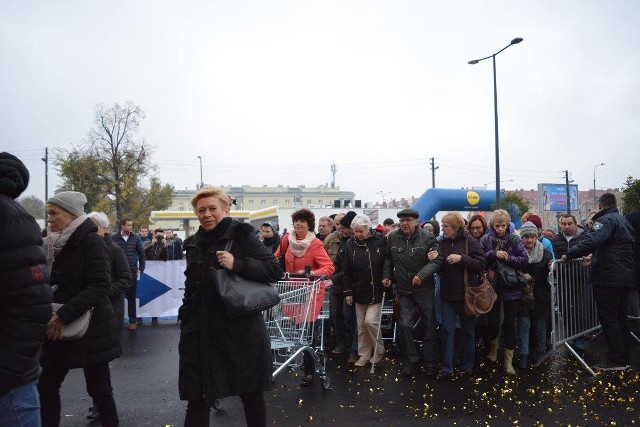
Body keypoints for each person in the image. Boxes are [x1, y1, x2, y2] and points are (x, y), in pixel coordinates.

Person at [178, 186, 283, 426]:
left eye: (213, 208)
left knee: (250, 393)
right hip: (199, 333)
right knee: (197, 397)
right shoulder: (193, 243)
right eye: (201, 210)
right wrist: (185, 317)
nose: (207, 214)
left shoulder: (242, 236)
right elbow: (191, 285)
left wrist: (238, 264)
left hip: (239, 331)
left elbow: (274, 270)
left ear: (226, 209)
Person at [39, 191, 121, 427]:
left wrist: (63, 315)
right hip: (57, 325)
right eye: (48, 213)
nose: (50, 219)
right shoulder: (51, 243)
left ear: (70, 214)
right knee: (46, 387)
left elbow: (100, 286)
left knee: (99, 389)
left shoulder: (92, 241)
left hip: (90, 328)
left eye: (54, 213)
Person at [0, 152, 52, 427]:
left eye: (56, 214)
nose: (51, 219)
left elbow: (31, 305)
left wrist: (6, 371)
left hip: (9, 386)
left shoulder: (11, 218)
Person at [565, 193, 636, 371]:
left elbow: (593, 240)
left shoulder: (605, 221)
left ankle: (616, 359)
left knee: (609, 318)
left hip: (608, 279)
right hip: (625, 277)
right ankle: (624, 357)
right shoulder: (623, 220)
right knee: (621, 318)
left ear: (600, 205)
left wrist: (571, 253)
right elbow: (613, 250)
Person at [274, 208, 335, 386]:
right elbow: (275, 257)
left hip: (310, 294)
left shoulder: (315, 244)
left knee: (308, 334)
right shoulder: (287, 239)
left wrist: (311, 273)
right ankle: (309, 361)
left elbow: (329, 267)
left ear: (309, 225)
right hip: (292, 292)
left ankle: (310, 370)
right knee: (297, 332)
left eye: (303, 221)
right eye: (296, 220)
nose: (298, 224)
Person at [382, 208, 442, 377]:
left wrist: (421, 275)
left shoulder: (428, 238)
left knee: (429, 324)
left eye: (408, 220)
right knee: (405, 325)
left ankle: (430, 361)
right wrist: (387, 276)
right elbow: (388, 258)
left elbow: (437, 260)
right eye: (401, 221)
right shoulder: (393, 237)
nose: (404, 224)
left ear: (416, 221)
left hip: (424, 289)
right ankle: (412, 360)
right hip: (403, 289)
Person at [86, 211, 132, 421]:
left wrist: (103, 293)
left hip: (109, 312)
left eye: (91, 225)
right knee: (91, 361)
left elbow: (125, 279)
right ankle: (98, 403)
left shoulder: (114, 250)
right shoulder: (84, 249)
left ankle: (100, 405)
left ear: (103, 228)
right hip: (87, 312)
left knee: (99, 361)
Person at [480, 209, 528, 375]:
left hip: (511, 287)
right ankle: (493, 350)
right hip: (492, 286)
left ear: (508, 224)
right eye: (497, 225)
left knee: (509, 325)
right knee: (492, 322)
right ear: (492, 225)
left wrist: (508, 257)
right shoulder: (486, 239)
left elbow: (524, 259)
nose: (500, 228)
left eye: (503, 225)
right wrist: (493, 254)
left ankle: (508, 361)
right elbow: (480, 258)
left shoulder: (515, 238)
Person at [438, 212, 485, 378]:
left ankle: (467, 365)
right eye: (443, 226)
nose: (443, 229)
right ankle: (447, 367)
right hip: (447, 295)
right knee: (447, 330)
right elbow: (437, 265)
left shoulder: (469, 241)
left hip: (466, 295)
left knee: (468, 331)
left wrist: (462, 259)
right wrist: (432, 258)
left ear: (456, 228)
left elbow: (481, 263)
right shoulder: (441, 242)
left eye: (446, 226)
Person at [343, 214, 387, 367]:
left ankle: (379, 350)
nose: (357, 234)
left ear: (368, 229)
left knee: (370, 321)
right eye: (355, 231)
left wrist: (387, 277)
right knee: (361, 325)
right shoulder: (350, 244)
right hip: (358, 289)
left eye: (361, 231)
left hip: (376, 289)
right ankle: (364, 354)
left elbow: (387, 261)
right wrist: (348, 291)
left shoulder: (380, 240)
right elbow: (346, 269)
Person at [516, 221, 552, 368]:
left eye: (532, 237)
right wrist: (521, 274)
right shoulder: (516, 252)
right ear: (522, 238)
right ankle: (524, 355)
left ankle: (541, 352)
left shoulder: (545, 252)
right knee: (524, 325)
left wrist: (552, 266)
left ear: (536, 237)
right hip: (522, 295)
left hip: (541, 294)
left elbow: (550, 268)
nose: (529, 240)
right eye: (526, 237)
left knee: (540, 326)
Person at [323, 212, 351, 356]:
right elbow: (323, 258)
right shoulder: (330, 239)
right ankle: (341, 342)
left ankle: (351, 343)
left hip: (349, 284)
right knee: (336, 314)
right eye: (337, 224)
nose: (339, 227)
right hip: (334, 283)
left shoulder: (353, 238)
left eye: (342, 224)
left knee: (348, 316)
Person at [111, 218, 146, 331]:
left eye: (131, 225)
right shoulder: (113, 238)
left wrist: (141, 267)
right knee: (116, 297)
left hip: (131, 271)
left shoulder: (135, 238)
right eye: (129, 225)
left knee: (131, 297)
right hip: (116, 272)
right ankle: (115, 321)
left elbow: (141, 253)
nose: (131, 227)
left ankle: (132, 321)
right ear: (122, 226)